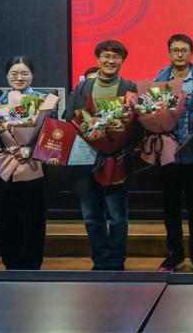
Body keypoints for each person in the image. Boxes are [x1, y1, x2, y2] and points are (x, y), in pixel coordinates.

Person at [63, 39, 138, 271]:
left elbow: (137, 126)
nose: (110, 61)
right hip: (86, 163)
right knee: (91, 217)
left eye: (116, 57)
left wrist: (120, 147)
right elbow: (69, 118)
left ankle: (116, 262)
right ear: (97, 59)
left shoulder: (130, 88)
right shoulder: (82, 88)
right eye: (106, 56)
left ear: (122, 61)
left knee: (117, 217)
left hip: (117, 161)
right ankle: (100, 261)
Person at [153, 34, 193, 273]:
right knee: (170, 208)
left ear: (191, 53)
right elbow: (151, 110)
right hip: (168, 154)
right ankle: (175, 254)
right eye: (175, 50)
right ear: (169, 53)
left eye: (184, 50)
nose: (179, 54)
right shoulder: (160, 79)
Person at [0, 55, 50, 270]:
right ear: (7, 76)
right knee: (7, 217)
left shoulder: (45, 102)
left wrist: (31, 150)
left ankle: (32, 265)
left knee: (33, 217)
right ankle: (11, 264)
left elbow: (53, 136)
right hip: (5, 167)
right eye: (14, 74)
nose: (19, 78)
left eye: (24, 73)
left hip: (34, 167)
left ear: (32, 75)